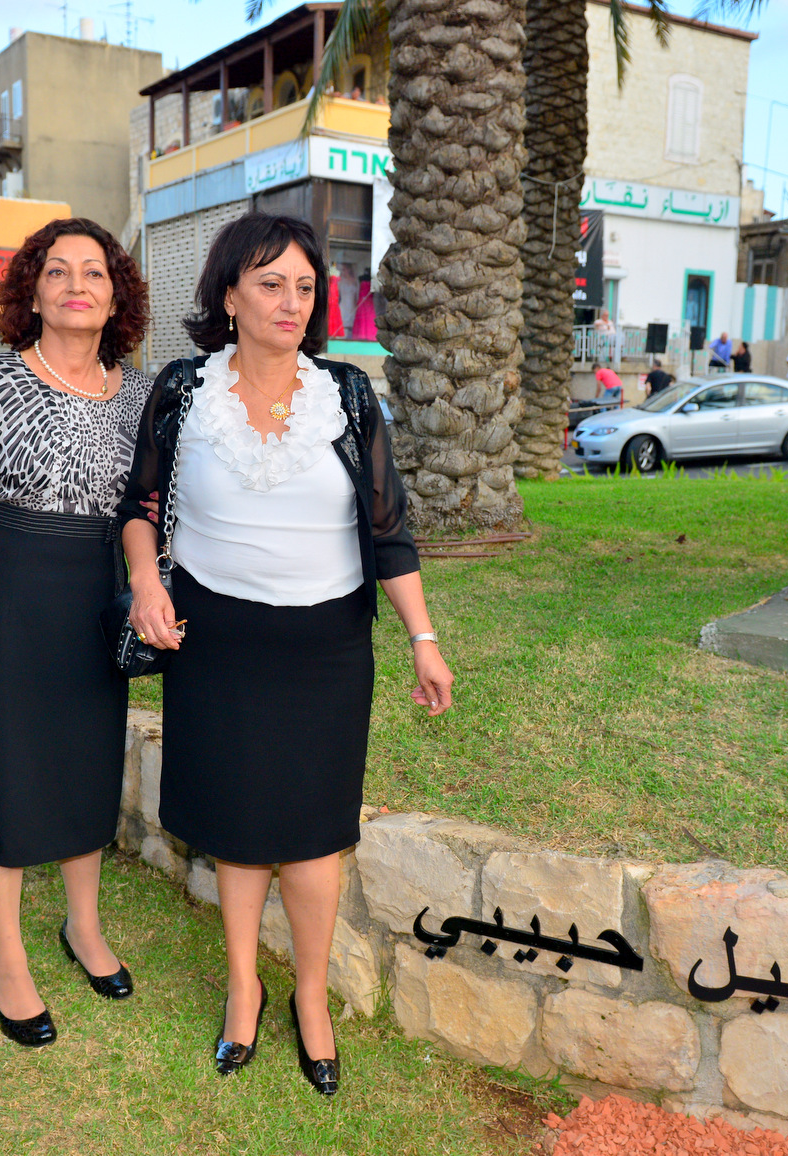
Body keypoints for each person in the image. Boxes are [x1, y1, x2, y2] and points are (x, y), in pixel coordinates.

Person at [119, 213, 454, 1098]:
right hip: (216, 641)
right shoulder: (183, 389)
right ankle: (244, 990)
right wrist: (147, 584)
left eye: (306, 287)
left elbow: (389, 529)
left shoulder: (347, 394)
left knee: (312, 834)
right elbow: (140, 505)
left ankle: (310, 997)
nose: (291, 302)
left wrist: (422, 640)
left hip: (325, 647)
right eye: (271, 284)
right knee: (236, 826)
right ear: (228, 295)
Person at [0, 218, 153, 1048]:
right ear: (33, 291)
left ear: (116, 297)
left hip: (94, 594)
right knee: (5, 771)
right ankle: (8, 956)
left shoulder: (140, 395)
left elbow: (151, 509)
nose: (76, 285)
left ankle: (83, 927)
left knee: (87, 765)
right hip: (1, 596)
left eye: (94, 272)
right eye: (58, 271)